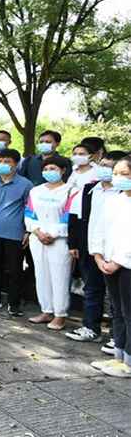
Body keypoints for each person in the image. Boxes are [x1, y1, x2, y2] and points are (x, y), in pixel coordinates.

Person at [67, 151, 126, 343]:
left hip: (117, 251)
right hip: (91, 246)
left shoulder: (122, 193)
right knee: (92, 288)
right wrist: (74, 243)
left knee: (118, 296)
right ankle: (91, 327)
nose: (105, 170)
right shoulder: (89, 189)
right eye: (103, 165)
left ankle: (118, 337)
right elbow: (75, 217)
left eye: (111, 167)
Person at [88, 156, 131, 378]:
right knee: (116, 310)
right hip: (107, 262)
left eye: (124, 174)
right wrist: (98, 256)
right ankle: (118, 356)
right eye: (116, 173)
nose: (119, 178)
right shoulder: (113, 200)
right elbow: (99, 229)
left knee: (129, 311)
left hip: (126, 265)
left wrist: (118, 261)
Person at [0, 149, 33, 316]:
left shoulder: (26, 184)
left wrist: (27, 231)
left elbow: (30, 209)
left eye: (7, 161)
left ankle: (14, 303)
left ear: (16, 164)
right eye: (0, 161)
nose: (3, 164)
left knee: (15, 269)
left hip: (14, 233)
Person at [25, 157, 76, 330]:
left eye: (53, 168)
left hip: (60, 240)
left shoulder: (71, 191)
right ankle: (46, 310)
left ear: (63, 170)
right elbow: (29, 214)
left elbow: (69, 215)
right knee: (42, 275)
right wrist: (38, 231)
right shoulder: (35, 191)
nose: (49, 172)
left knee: (59, 276)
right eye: (46, 169)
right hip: (38, 238)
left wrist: (54, 234)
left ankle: (60, 314)